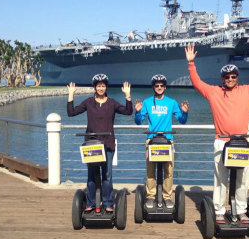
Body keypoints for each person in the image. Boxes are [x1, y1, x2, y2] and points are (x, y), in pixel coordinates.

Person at [185, 43, 249, 224]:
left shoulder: (248, 91)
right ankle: (220, 211)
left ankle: (241, 210)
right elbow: (197, 83)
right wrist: (191, 63)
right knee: (220, 179)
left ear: (237, 77)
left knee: (241, 180)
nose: (230, 79)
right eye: (227, 76)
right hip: (221, 142)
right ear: (222, 78)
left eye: (233, 76)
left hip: (241, 143)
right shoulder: (213, 92)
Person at [67, 74, 132, 213]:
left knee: (107, 175)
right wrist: (71, 95)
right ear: (95, 87)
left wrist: (128, 96)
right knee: (91, 175)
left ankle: (108, 203)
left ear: (106, 87)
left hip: (108, 144)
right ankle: (90, 202)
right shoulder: (89, 102)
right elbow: (71, 113)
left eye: (103, 86)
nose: (101, 88)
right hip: (92, 145)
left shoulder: (112, 103)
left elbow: (128, 111)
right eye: (98, 86)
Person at [134, 74, 189, 209]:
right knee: (150, 171)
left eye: (161, 85)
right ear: (153, 87)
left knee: (168, 171)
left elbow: (182, 120)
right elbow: (138, 121)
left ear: (165, 87)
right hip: (151, 140)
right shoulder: (147, 102)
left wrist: (185, 112)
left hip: (167, 140)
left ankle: (167, 197)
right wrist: (137, 112)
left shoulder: (171, 102)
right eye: (156, 85)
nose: (159, 87)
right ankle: (151, 197)